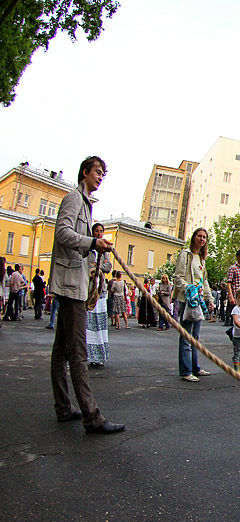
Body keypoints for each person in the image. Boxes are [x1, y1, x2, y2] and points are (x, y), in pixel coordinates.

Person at [48, 155, 124, 433]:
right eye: (97, 172)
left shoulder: (85, 204)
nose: (101, 176)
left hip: (74, 284)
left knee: (61, 351)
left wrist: (94, 249)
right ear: (84, 172)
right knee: (78, 353)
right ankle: (92, 417)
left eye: (103, 173)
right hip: (69, 286)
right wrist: (92, 241)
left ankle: (64, 408)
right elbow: (62, 233)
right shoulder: (73, 199)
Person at [173, 227, 215, 382]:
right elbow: (177, 277)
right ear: (194, 238)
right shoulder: (186, 255)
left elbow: (204, 282)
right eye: (199, 236)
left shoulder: (202, 259)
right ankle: (185, 370)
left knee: (195, 336)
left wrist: (209, 299)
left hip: (197, 301)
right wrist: (189, 289)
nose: (202, 239)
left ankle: (195, 367)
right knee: (186, 335)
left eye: (204, 237)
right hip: (187, 299)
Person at [86, 223, 113, 367]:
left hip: (100, 290)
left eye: (101, 231)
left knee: (99, 323)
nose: (99, 233)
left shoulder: (105, 251)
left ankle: (98, 356)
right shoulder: (89, 248)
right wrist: (94, 266)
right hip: (89, 289)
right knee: (87, 323)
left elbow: (108, 267)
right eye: (96, 231)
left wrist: (97, 266)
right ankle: (85, 355)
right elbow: (88, 264)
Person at [225, 250, 240, 326]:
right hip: (235, 296)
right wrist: (231, 296)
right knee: (234, 318)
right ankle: (233, 335)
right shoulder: (233, 268)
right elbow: (229, 283)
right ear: (237, 257)